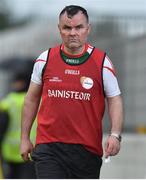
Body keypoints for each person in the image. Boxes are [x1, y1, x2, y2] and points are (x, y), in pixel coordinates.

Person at [20, 5, 124, 179]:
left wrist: (115, 135)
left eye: (79, 27)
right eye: (67, 28)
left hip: (86, 151)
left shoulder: (102, 63)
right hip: (48, 148)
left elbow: (115, 100)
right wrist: (24, 138)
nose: (72, 33)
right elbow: (31, 99)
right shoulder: (44, 59)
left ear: (88, 29)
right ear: (59, 29)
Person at [0, 73, 36, 179]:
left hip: (10, 151)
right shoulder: (37, 101)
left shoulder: (8, 101)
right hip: (31, 149)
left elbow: (2, 126)